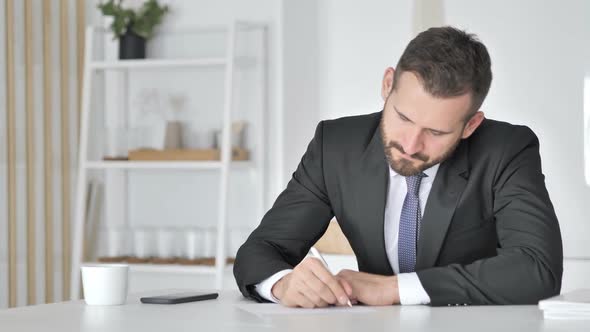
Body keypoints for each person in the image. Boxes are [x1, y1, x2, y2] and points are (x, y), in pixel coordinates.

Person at [233, 26, 563, 307]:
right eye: (403, 117)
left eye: (436, 132)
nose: (411, 144)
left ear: (470, 125)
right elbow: (261, 250)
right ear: (387, 84)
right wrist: (282, 284)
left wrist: (394, 289)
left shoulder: (506, 149)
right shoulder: (335, 146)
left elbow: (537, 269)